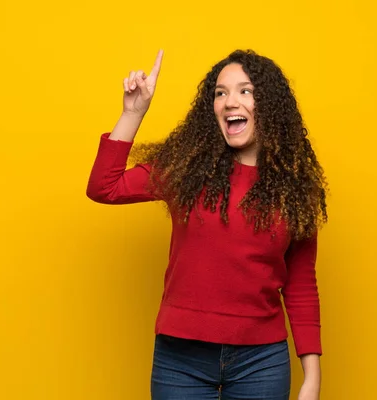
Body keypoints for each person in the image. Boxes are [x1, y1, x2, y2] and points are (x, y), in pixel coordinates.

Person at [86, 49, 328, 400]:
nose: (231, 101)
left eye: (246, 91)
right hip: (180, 359)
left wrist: (312, 378)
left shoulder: (293, 187)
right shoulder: (185, 168)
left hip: (261, 362)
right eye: (220, 92)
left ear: (270, 106)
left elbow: (301, 284)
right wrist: (132, 112)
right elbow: (104, 188)